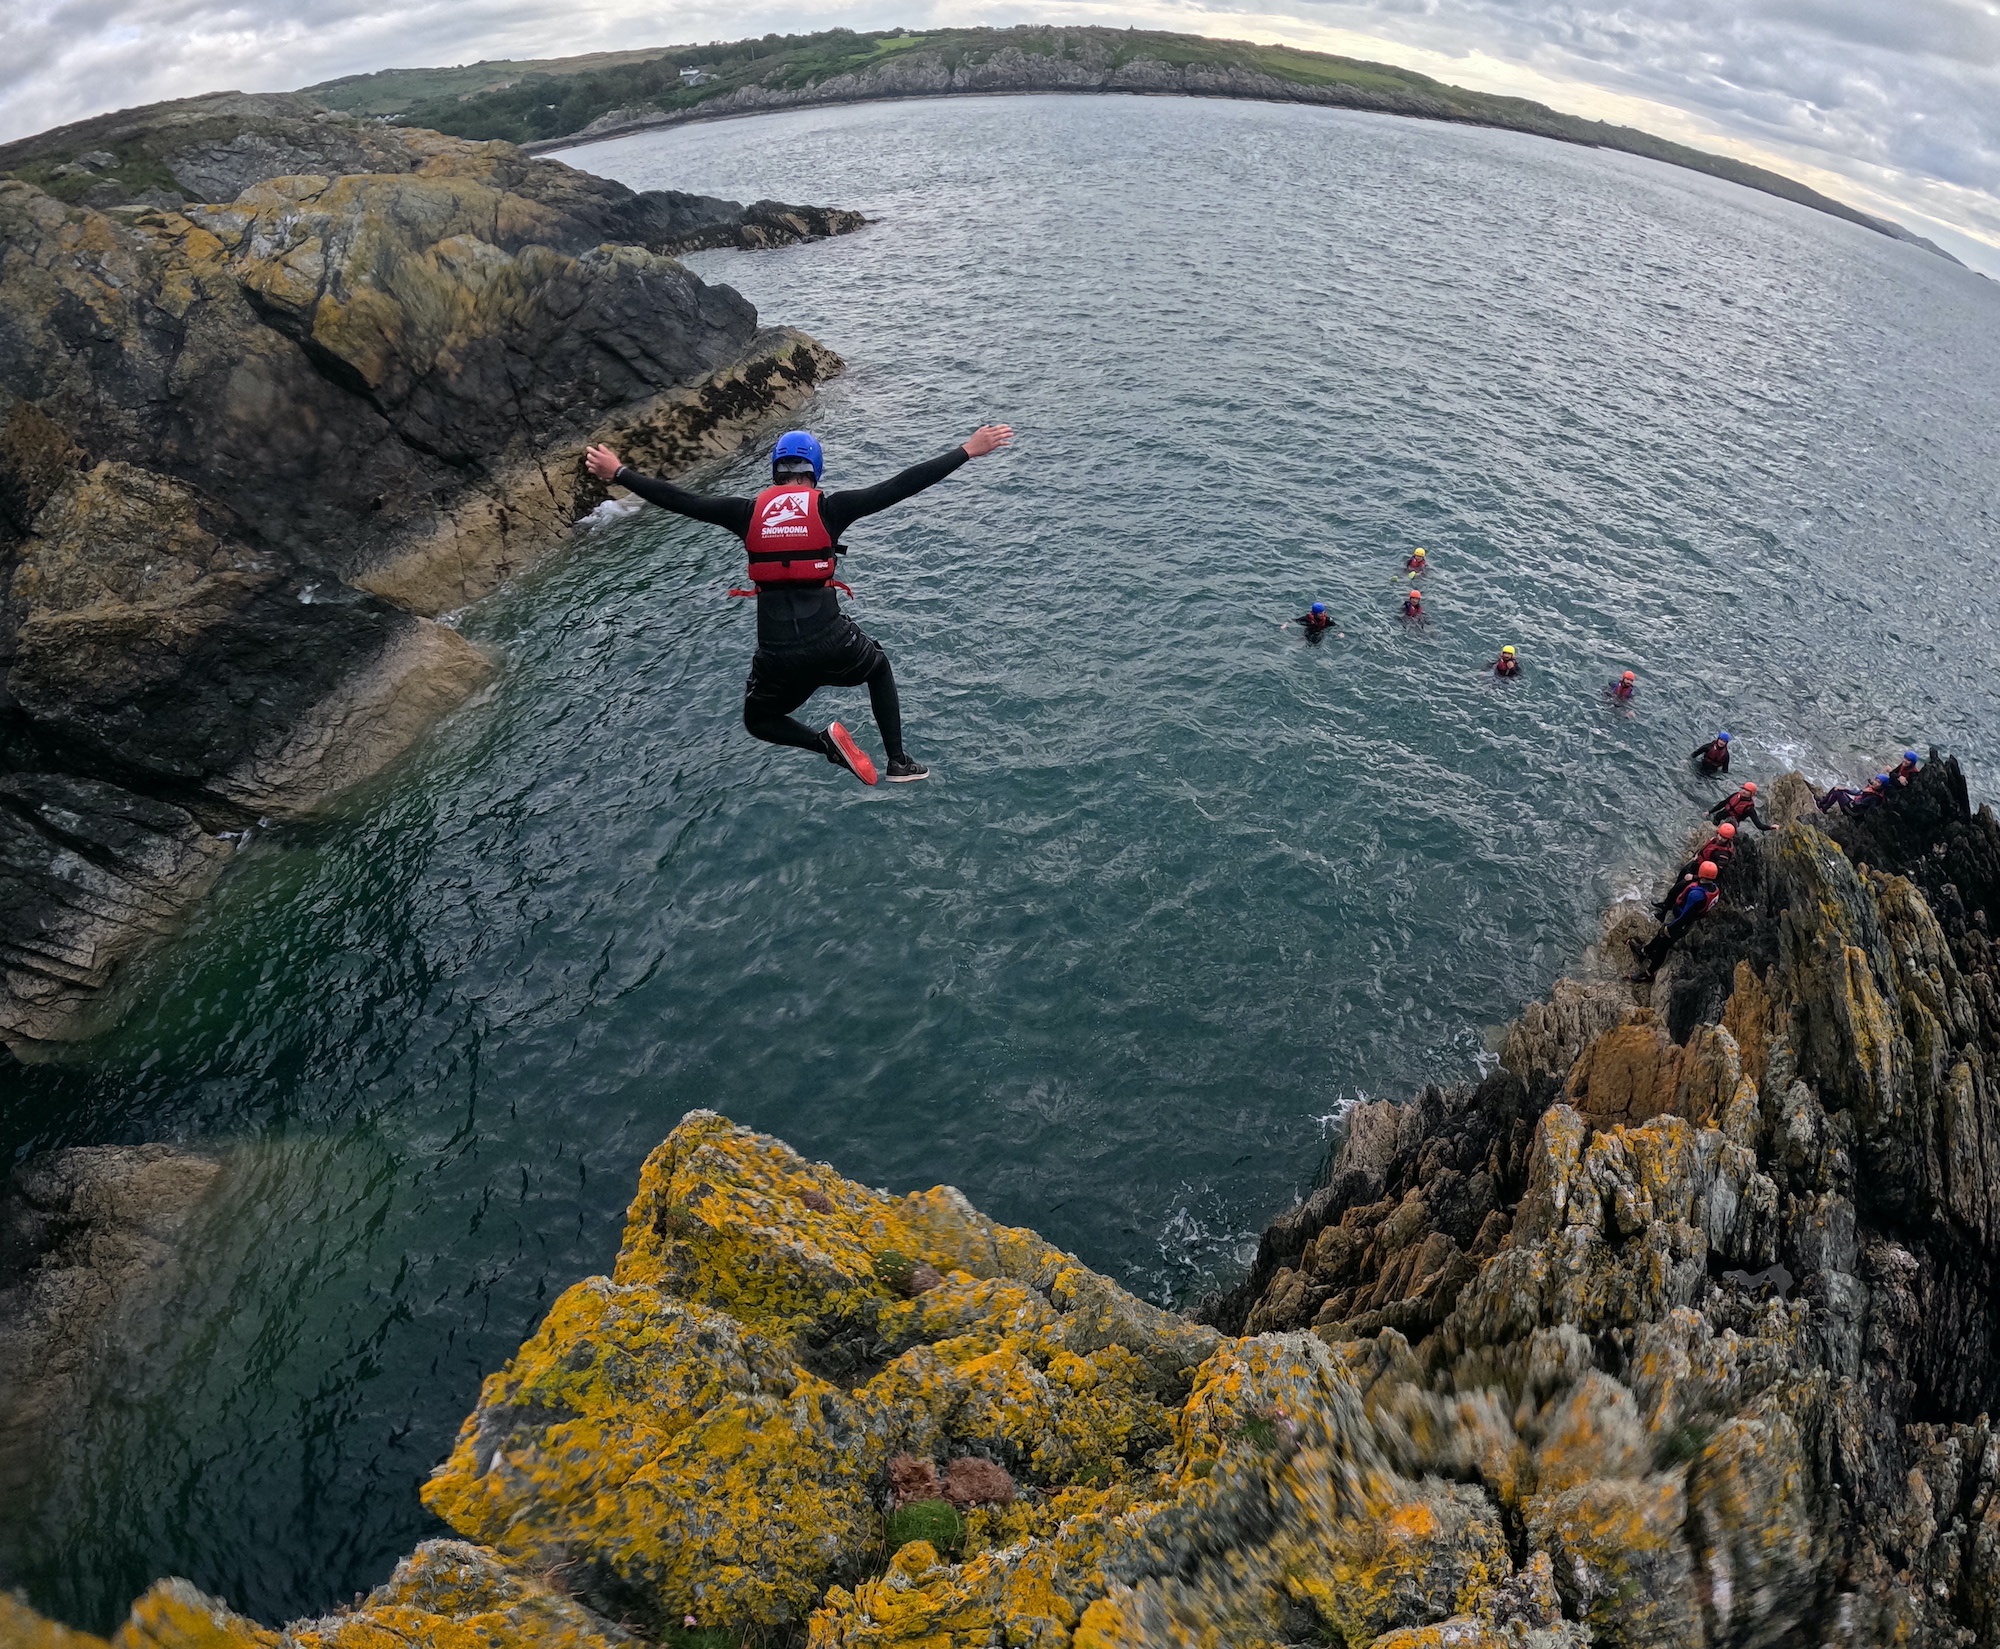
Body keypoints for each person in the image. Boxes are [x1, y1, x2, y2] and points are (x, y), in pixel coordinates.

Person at [583, 423, 1013, 784]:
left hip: (777, 655)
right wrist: (967, 451)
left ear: (775, 472)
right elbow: (901, 484)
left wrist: (619, 471)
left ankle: (823, 743)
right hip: (831, 640)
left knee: (759, 720)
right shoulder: (832, 507)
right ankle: (898, 761)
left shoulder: (745, 512)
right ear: (816, 471)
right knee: (877, 667)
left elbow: (680, 499)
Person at [1634, 862, 1720, 975]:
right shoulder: (1715, 889)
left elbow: (1685, 915)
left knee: (1662, 947)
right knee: (1660, 934)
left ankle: (1649, 973)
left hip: (1679, 922)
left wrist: (1670, 927)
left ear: (1701, 873)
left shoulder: (1696, 895)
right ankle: (1645, 951)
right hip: (1689, 920)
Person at [1653, 822, 1735, 917]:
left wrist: (1694, 877)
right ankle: (1666, 904)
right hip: (1696, 865)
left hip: (1702, 875)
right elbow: (1705, 850)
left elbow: (1714, 873)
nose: (1720, 838)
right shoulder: (1715, 840)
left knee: (1678, 889)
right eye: (1719, 835)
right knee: (1679, 881)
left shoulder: (1723, 856)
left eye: (1723, 837)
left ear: (1729, 839)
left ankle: (1664, 913)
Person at [1709, 781, 1774, 831]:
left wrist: (1770, 827)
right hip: (1720, 817)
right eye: (1744, 789)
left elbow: (1759, 825)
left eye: (1747, 791)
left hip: (1730, 824)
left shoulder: (1749, 808)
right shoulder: (1735, 795)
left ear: (1752, 794)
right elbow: (1723, 803)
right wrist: (1710, 812)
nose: (1744, 791)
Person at [1817, 774, 1891, 814]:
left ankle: (1823, 808)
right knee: (1836, 788)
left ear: (1882, 786)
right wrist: (1844, 789)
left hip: (1853, 811)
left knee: (1838, 793)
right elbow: (1857, 793)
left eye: (1878, 782)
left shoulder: (1874, 797)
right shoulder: (1872, 788)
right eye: (1876, 780)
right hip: (1853, 804)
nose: (1875, 782)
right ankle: (1822, 802)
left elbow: (1860, 804)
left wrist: (1851, 802)